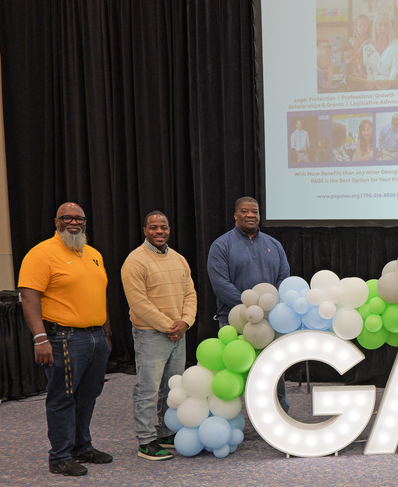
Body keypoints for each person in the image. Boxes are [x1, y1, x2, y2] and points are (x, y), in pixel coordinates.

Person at [18, 202, 113, 476]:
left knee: (89, 395)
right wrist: (39, 338)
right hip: (64, 338)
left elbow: (100, 294)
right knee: (62, 396)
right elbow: (29, 296)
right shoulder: (41, 254)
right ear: (56, 221)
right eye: (67, 217)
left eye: (79, 218)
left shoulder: (93, 253)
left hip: (96, 337)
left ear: (85, 222)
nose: (74, 222)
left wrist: (107, 333)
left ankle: (82, 446)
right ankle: (59, 456)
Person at [121, 211, 197, 461]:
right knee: (148, 388)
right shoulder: (134, 261)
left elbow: (190, 294)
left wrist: (185, 322)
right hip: (151, 335)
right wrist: (170, 326)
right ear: (145, 230)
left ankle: (164, 432)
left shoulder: (179, 259)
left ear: (169, 230)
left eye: (163, 227)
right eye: (153, 227)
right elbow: (139, 303)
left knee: (172, 387)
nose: (159, 232)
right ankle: (145, 440)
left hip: (178, 334)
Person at [207, 196, 291, 412]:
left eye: (254, 212)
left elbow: (284, 279)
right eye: (245, 211)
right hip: (234, 321)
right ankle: (228, 418)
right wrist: (250, 310)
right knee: (234, 372)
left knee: (273, 370)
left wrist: (266, 310)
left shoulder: (274, 245)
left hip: (270, 322)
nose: (251, 215)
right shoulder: (221, 245)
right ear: (235, 215)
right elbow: (220, 284)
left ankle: (279, 414)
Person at [362, 13, 398, 88]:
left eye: (386, 25)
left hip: (389, 84)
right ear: (375, 27)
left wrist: (388, 84)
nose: (383, 28)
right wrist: (369, 83)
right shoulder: (367, 47)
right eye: (380, 25)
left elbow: (395, 68)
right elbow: (368, 69)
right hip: (372, 85)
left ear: (389, 27)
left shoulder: (396, 44)